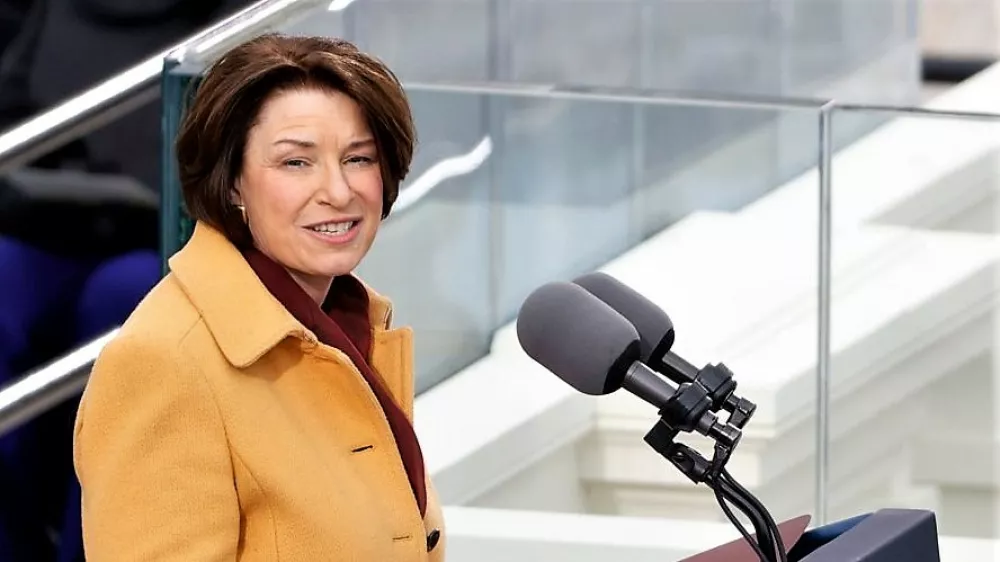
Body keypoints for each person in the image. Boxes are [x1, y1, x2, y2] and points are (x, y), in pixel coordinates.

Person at [72, 33, 445, 561]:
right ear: (232, 184)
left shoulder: (347, 323)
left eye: (359, 158)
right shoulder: (163, 362)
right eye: (296, 163)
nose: (338, 191)